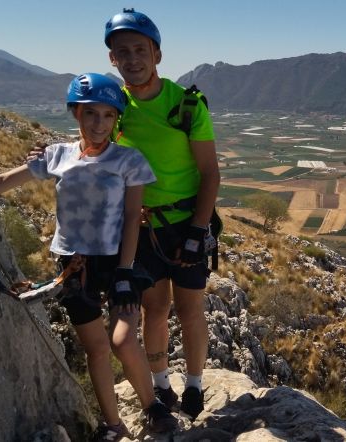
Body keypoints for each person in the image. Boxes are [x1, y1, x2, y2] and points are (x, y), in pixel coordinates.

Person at [0, 73, 179, 441]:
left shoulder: (129, 161)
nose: (98, 124)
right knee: (95, 348)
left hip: (117, 261)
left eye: (107, 115)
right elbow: (4, 180)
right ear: (76, 115)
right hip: (74, 264)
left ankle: (153, 407)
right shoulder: (56, 155)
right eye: (90, 115)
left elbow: (133, 217)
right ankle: (114, 425)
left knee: (121, 339)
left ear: (116, 119)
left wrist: (125, 271)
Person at [103, 8, 220, 421]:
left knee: (190, 309)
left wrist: (197, 230)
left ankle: (194, 385)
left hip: (185, 222)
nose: (132, 58)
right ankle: (160, 384)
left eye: (140, 49)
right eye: (123, 52)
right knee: (156, 309)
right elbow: (91, 150)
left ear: (157, 54)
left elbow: (210, 173)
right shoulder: (114, 107)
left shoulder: (186, 105)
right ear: (112, 60)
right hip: (143, 226)